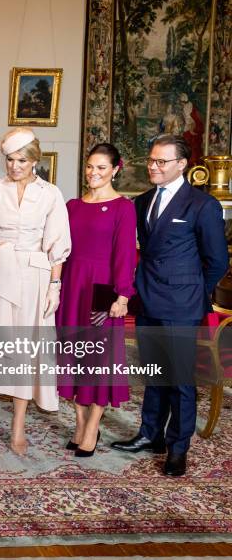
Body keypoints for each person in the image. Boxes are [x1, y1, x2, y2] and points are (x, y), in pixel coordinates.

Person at [111, 134, 228, 476]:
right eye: (151, 160)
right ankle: (151, 435)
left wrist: (194, 294)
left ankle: (178, 448)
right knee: (154, 376)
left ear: (181, 165)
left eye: (161, 161)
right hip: (147, 299)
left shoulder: (202, 205)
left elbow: (217, 261)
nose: (153, 166)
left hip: (182, 304)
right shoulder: (142, 200)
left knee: (179, 381)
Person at [0, 127, 71, 455]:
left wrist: (55, 286)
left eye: (22, 160)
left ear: (34, 161)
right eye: (10, 160)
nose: (15, 166)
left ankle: (17, 425)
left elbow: (58, 244)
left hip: (36, 277)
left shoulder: (51, 194)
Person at [56, 143, 137, 457]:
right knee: (73, 356)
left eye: (101, 167)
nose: (93, 172)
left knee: (99, 360)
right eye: (90, 166)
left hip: (102, 289)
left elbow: (125, 254)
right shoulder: (72, 205)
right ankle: (79, 422)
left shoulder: (122, 207)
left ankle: (93, 425)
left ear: (116, 169)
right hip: (72, 286)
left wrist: (123, 294)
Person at [179, 93, 204, 166]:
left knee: (192, 146)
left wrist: (191, 130)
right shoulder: (187, 107)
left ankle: (192, 162)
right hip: (189, 129)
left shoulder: (187, 108)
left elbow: (191, 121)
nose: (180, 103)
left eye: (180, 102)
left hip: (191, 130)